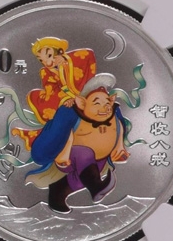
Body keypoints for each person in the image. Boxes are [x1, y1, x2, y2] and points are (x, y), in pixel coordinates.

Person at [26, 73, 130, 213]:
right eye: (97, 103)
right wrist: (62, 155)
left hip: (99, 159)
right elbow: (62, 134)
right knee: (84, 155)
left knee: (82, 179)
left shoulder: (115, 113)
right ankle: (96, 187)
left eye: (107, 103)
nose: (105, 108)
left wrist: (119, 147)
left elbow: (120, 128)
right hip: (71, 157)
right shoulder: (72, 115)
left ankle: (57, 193)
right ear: (82, 103)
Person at [11, 37, 97, 149]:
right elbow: (51, 89)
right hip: (63, 99)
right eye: (41, 60)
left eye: (49, 55)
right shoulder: (45, 71)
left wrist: (66, 58)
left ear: (59, 51)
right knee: (39, 98)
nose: (47, 62)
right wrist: (66, 98)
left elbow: (89, 54)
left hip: (83, 94)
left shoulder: (69, 59)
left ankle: (35, 137)